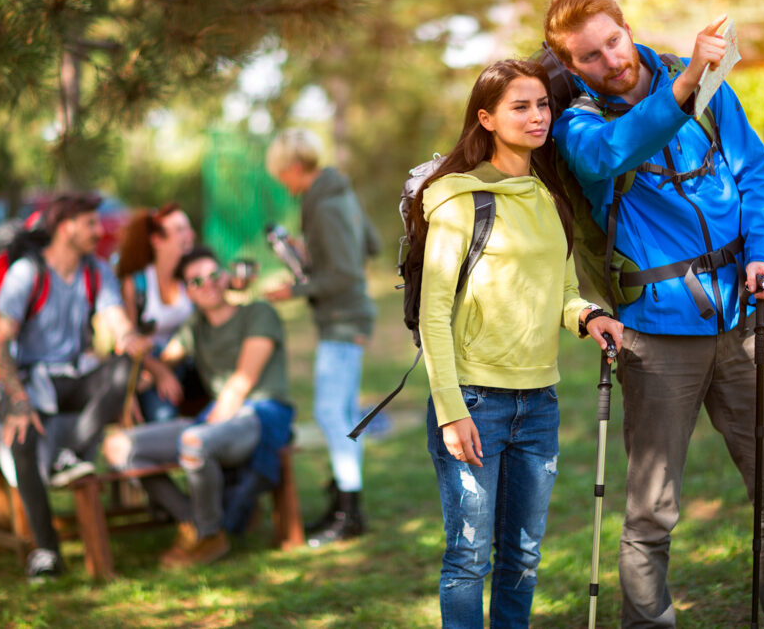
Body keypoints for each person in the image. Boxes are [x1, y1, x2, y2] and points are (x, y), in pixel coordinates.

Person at [544, 0, 764, 629]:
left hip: (741, 320)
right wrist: (689, 79)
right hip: (656, 337)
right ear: (571, 66)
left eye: (612, 41)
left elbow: (755, 172)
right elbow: (612, 153)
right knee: (651, 512)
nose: (610, 60)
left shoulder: (707, 87)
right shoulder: (577, 123)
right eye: (589, 56)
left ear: (625, 27)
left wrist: (762, 251)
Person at [408, 59, 624, 628]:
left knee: (523, 557)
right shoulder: (458, 198)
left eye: (543, 105)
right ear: (486, 118)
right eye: (520, 106)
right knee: (468, 557)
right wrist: (452, 413)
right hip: (475, 401)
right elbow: (434, 314)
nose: (537, 116)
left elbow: (564, 291)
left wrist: (587, 317)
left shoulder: (549, 197)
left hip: (539, 405)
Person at [0, 192, 149, 582]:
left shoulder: (96, 271)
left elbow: (116, 321)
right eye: (91, 223)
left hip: (76, 376)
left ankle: (70, 454)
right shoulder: (27, 274)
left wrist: (131, 339)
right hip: (31, 379)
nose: (99, 230)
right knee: (21, 437)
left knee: (123, 368)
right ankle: (46, 551)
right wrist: (18, 400)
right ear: (66, 227)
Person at [103, 246, 294, 568]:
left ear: (225, 277)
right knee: (118, 447)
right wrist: (150, 368)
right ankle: (196, 523)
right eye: (195, 281)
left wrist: (203, 427)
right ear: (187, 292)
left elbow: (241, 382)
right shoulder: (194, 329)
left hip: (259, 414)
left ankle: (207, 535)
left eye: (213, 275)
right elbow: (158, 362)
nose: (207, 284)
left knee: (194, 442)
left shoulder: (258, 313)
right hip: (217, 419)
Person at [263, 128, 381, 546]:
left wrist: (292, 289)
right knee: (343, 414)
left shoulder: (322, 204)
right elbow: (371, 244)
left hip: (343, 320)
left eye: (282, 174)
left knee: (332, 415)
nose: (283, 183)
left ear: (294, 167)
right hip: (351, 316)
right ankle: (342, 504)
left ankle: (349, 512)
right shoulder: (339, 191)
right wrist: (313, 253)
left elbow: (346, 272)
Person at [115, 203, 202, 422]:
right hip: (150, 362)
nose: (189, 235)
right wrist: (159, 371)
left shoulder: (189, 276)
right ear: (157, 240)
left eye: (188, 228)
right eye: (180, 229)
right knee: (163, 415)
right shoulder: (137, 283)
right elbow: (130, 339)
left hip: (189, 358)